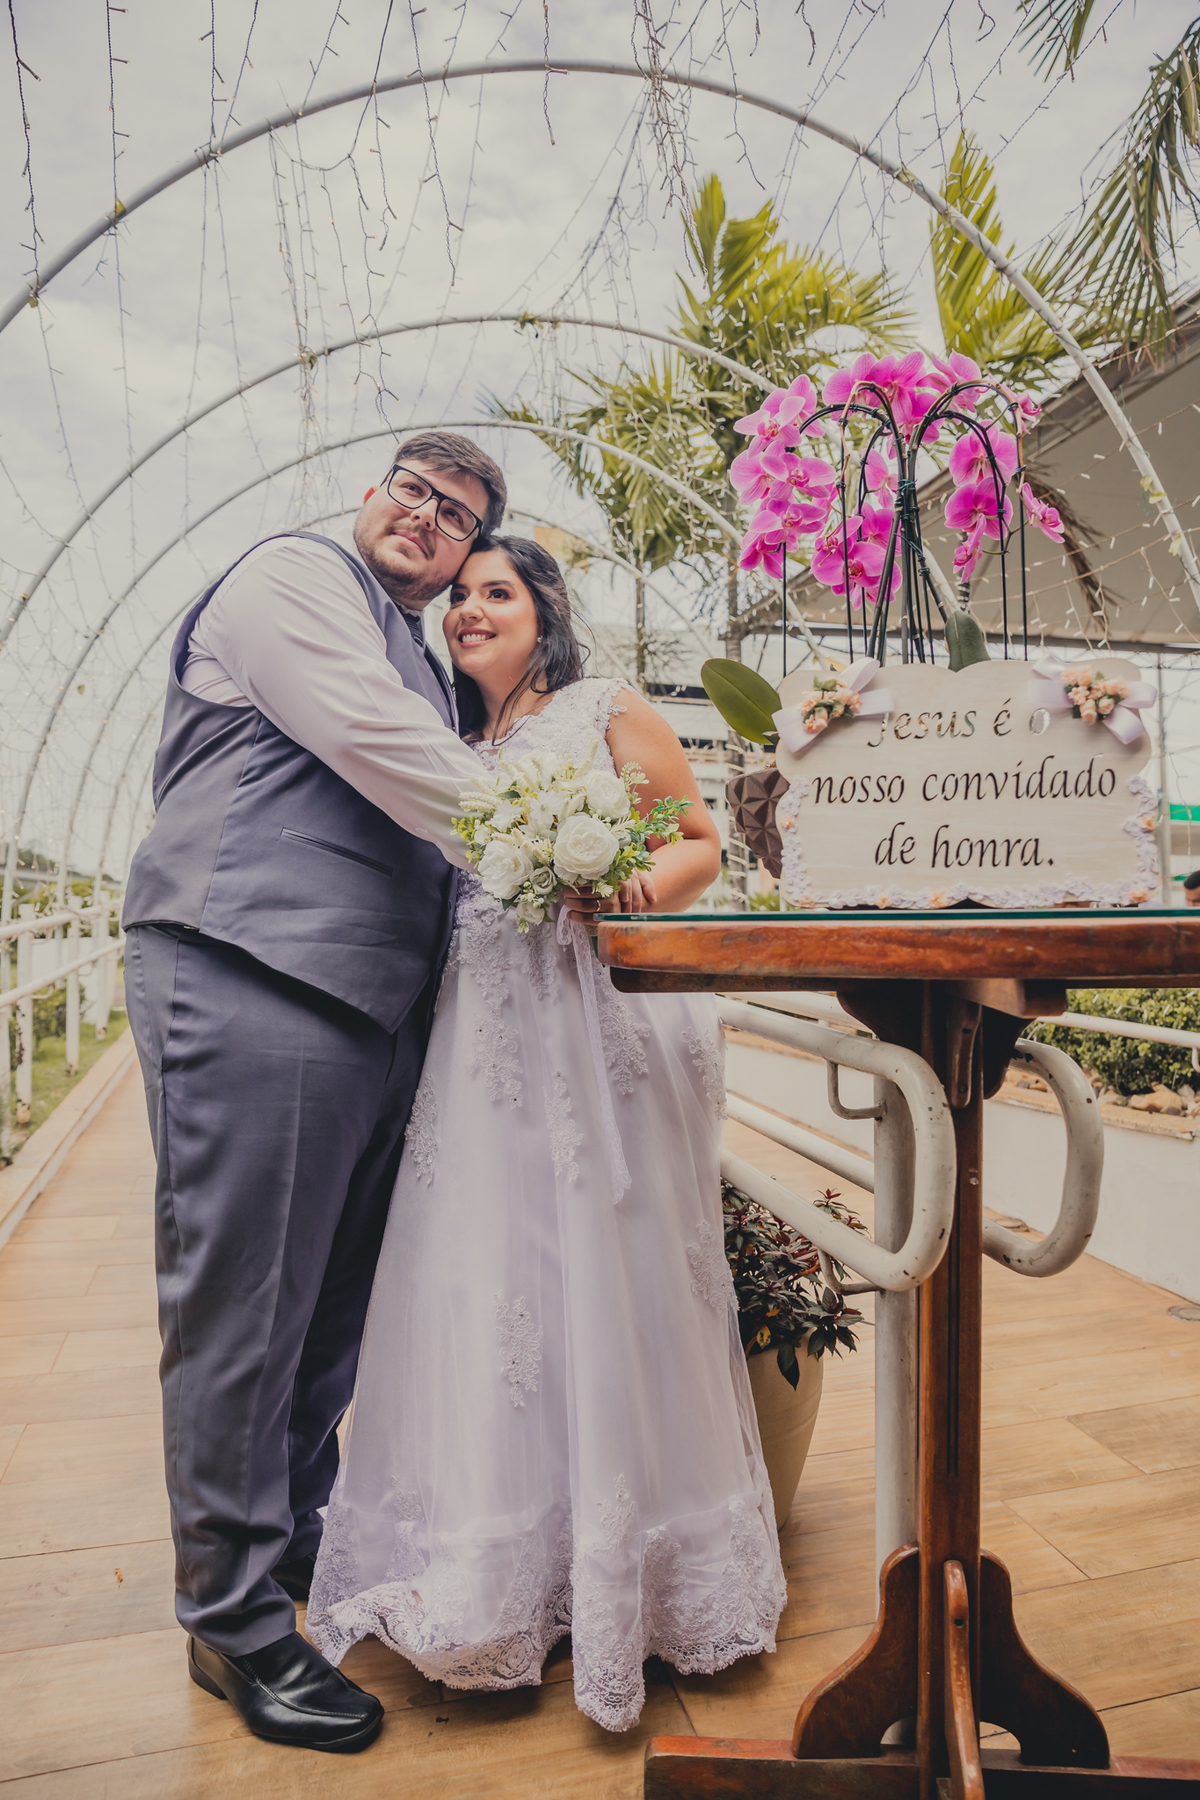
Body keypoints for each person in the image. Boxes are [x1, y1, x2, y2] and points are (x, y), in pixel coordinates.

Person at [306, 538, 787, 1732]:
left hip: (591, 1040)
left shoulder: (602, 709)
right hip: (478, 1052)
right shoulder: (445, 747)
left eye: (496, 592)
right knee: (491, 1281)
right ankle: (490, 1568)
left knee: (605, 1275)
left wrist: (621, 887)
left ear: (544, 611)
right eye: (459, 597)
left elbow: (696, 842)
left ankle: (641, 1576)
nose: (469, 610)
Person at [121, 433, 508, 1753]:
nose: (427, 517)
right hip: (254, 969)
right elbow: (374, 739)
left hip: (365, 1009)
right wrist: (562, 841)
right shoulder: (292, 580)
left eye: (456, 516)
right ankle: (228, 1623)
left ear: (465, 556)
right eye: (414, 489)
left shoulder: (422, 651)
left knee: (323, 1318)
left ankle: (286, 1562)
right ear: (370, 493)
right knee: (245, 1310)